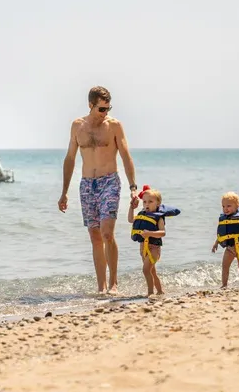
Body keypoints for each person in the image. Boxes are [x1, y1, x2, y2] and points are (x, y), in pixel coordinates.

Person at [58, 86, 139, 294]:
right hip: (87, 184)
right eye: (101, 109)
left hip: (109, 181)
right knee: (94, 235)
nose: (105, 113)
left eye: (108, 108)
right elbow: (70, 159)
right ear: (90, 105)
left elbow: (126, 156)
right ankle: (101, 287)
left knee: (107, 234)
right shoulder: (78, 126)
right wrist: (64, 191)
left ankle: (114, 283)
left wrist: (133, 187)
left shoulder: (114, 126)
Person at [128, 185, 180, 297]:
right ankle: (160, 291)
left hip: (154, 249)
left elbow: (163, 233)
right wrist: (131, 208)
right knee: (152, 272)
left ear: (158, 203)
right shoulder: (142, 214)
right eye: (145, 202)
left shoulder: (159, 218)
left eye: (150, 202)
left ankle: (150, 293)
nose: (147, 204)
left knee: (146, 270)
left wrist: (149, 233)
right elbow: (130, 220)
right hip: (143, 248)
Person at [212, 192, 239, 288]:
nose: (225, 209)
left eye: (228, 206)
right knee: (225, 266)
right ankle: (224, 285)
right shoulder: (223, 218)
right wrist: (216, 243)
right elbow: (221, 234)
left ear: (237, 206)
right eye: (223, 206)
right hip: (230, 248)